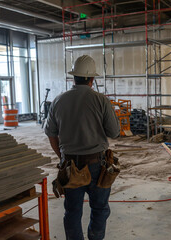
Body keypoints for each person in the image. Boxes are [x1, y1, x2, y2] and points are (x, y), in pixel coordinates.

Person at [44, 55, 120, 240]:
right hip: (97, 165)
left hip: (70, 165)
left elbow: (50, 133)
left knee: (72, 211)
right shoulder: (101, 100)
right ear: (92, 79)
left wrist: (62, 156)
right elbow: (114, 132)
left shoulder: (58, 101)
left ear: (74, 77)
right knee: (100, 209)